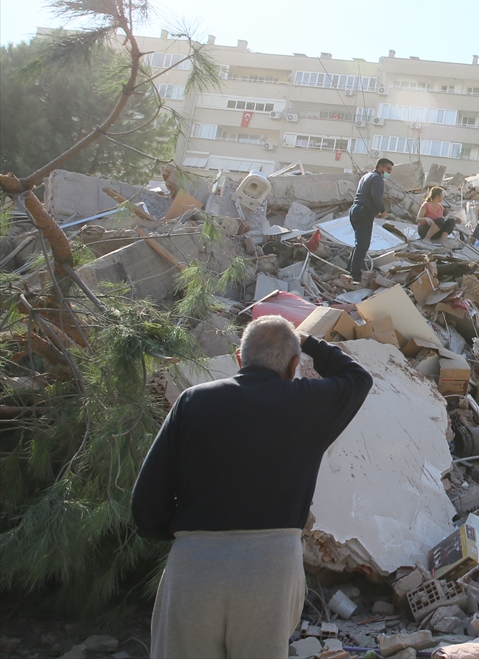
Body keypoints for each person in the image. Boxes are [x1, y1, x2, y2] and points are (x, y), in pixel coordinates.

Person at [132, 316, 372, 658]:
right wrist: (308, 341)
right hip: (271, 565)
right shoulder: (309, 403)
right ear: (293, 365)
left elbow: (146, 503)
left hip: (196, 560)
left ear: (239, 359)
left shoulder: (192, 402)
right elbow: (358, 378)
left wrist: (190, 537)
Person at [348, 158, 393, 282]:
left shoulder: (366, 176)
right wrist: (382, 210)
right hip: (363, 212)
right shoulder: (377, 178)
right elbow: (375, 195)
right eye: (388, 169)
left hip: (355, 210)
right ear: (380, 167)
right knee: (363, 245)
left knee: (359, 244)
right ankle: (355, 276)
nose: (389, 172)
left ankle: (350, 269)